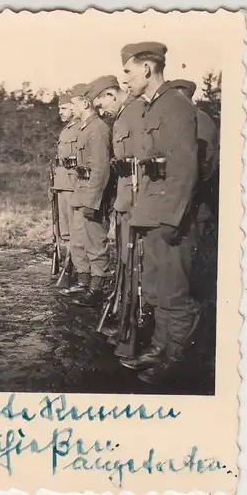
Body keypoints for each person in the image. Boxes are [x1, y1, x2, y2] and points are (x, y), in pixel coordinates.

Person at [117, 42, 201, 384]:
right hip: (150, 211)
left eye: (128, 71)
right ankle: (160, 346)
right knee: (156, 286)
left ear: (147, 69)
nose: (125, 79)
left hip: (168, 213)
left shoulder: (175, 106)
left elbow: (184, 168)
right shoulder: (149, 108)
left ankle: (177, 357)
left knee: (173, 291)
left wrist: (172, 217)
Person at [90, 75, 148, 345]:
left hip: (138, 202)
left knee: (137, 266)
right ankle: (126, 320)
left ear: (111, 95)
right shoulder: (126, 115)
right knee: (126, 265)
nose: (102, 112)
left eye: (102, 105)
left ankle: (136, 326)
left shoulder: (137, 112)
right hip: (125, 201)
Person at [60, 81, 113, 307]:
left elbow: (100, 168)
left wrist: (92, 201)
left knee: (95, 243)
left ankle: (97, 289)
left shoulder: (98, 129)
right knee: (81, 240)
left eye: (73, 103)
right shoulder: (85, 128)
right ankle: (84, 283)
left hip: (92, 195)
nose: (72, 107)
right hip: (81, 192)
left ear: (84, 103)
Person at [169, 79, 220, 237]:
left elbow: (205, 167)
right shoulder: (182, 120)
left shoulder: (201, 121)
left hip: (196, 205)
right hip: (182, 204)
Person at [50, 93, 81, 285]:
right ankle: (70, 268)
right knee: (66, 232)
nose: (60, 112)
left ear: (73, 108)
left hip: (72, 186)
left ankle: (76, 270)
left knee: (75, 231)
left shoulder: (79, 129)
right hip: (62, 185)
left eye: (63, 108)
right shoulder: (66, 130)